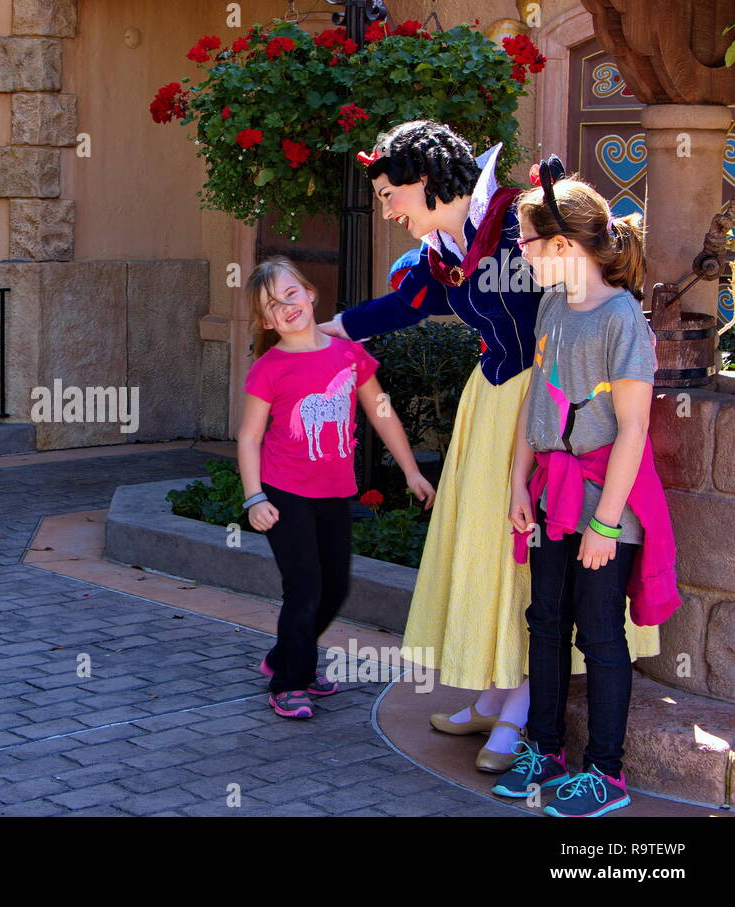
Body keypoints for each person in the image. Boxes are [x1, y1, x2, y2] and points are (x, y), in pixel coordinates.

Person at [316, 120, 658, 771]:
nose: (388, 208)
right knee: (491, 554)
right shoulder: (445, 250)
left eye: (393, 193)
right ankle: (500, 688)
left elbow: (586, 295)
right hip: (494, 401)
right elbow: (404, 305)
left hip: (552, 410)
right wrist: (330, 328)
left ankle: (523, 705)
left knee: (527, 566)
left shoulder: (516, 222)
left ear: (424, 182)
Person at [492, 166, 679, 817]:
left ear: (564, 245)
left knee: (599, 632)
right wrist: (518, 477)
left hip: (605, 502)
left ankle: (607, 771)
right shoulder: (550, 307)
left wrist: (603, 525)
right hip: (550, 495)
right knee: (545, 621)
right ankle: (543, 749)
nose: (520, 249)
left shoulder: (623, 318)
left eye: (527, 239)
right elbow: (534, 399)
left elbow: (631, 432)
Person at [239, 256, 435, 718]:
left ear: (310, 294)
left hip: (334, 492)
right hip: (284, 492)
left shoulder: (348, 354)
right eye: (273, 305)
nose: (286, 307)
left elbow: (381, 412)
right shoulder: (269, 368)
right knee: (304, 588)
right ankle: (291, 680)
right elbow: (248, 437)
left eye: (291, 294)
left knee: (336, 588)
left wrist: (410, 470)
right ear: (266, 320)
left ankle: (284, 656)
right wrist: (254, 497)